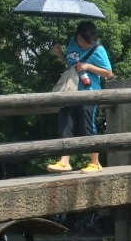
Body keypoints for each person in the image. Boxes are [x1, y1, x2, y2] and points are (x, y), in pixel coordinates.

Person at [47, 21, 114, 173]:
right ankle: (64, 161)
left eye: (86, 41)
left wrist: (88, 66)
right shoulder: (72, 43)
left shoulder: (98, 49)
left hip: (89, 92)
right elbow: (70, 64)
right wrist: (59, 53)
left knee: (87, 125)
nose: (83, 44)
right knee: (65, 123)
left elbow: (108, 73)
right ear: (77, 36)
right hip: (69, 91)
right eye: (81, 40)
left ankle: (95, 162)